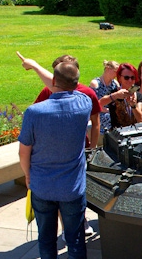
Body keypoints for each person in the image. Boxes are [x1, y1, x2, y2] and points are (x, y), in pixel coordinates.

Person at [18, 61, 107, 259]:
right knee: (75, 240)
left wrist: (28, 176)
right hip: (71, 189)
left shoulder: (34, 113)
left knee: (46, 240)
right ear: (76, 83)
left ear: (54, 82)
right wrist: (38, 68)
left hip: (41, 187)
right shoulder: (83, 103)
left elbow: (23, 153)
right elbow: (63, 85)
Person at [17, 52, 99, 236]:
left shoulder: (85, 95)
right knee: (71, 195)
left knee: (71, 196)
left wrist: (35, 66)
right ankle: (69, 229)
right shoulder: (83, 99)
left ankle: (77, 224)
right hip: (60, 154)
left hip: (70, 154)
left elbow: (96, 123)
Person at [18, 52, 100, 149]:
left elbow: (96, 123)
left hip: (77, 148)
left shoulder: (87, 94)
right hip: (53, 148)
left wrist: (92, 147)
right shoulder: (47, 91)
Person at [100, 63, 142, 130]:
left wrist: (133, 106)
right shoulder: (113, 93)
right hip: (117, 135)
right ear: (120, 78)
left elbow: (139, 118)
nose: (130, 80)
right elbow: (98, 104)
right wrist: (115, 96)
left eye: (132, 78)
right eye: (126, 78)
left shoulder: (138, 95)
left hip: (134, 132)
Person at [89, 60, 119, 134]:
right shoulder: (96, 84)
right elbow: (93, 104)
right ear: (108, 69)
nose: (116, 75)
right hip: (100, 112)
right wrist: (108, 110)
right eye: (115, 72)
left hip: (112, 110)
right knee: (109, 117)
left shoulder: (115, 83)